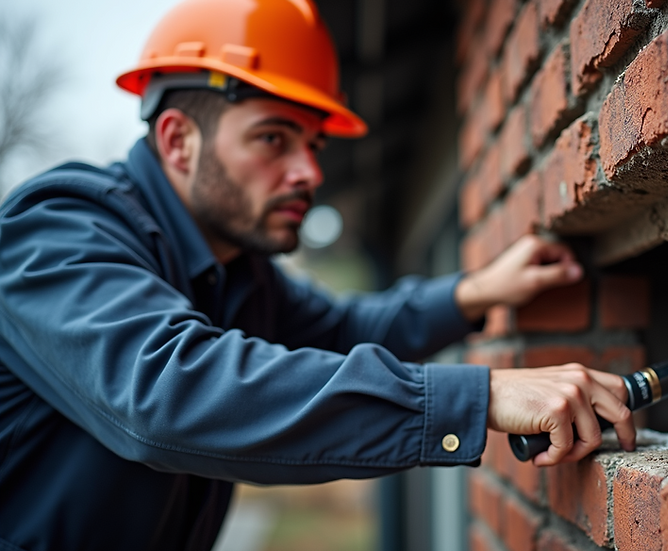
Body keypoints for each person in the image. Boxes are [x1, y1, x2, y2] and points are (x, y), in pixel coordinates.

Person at [0, 0, 635, 549]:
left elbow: (344, 327)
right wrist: (483, 396)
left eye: (312, 145)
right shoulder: (58, 228)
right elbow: (166, 391)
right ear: (178, 141)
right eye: (274, 139)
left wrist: (474, 291)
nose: (309, 172)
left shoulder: (239, 272)